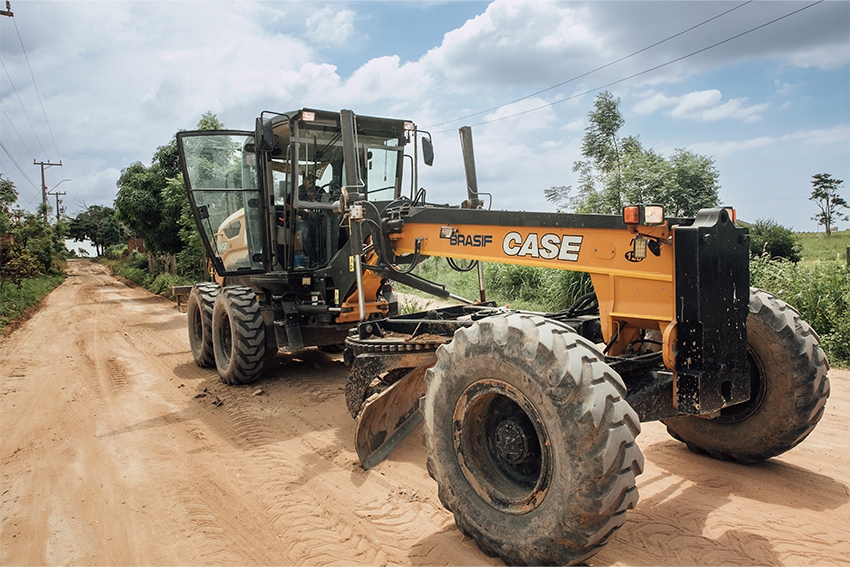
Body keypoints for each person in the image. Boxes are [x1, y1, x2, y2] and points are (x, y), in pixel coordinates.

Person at [296, 174, 323, 267]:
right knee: (304, 230)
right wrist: (305, 212)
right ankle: (312, 261)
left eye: (313, 179)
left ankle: (326, 260)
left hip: (319, 221)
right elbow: (288, 207)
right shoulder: (297, 192)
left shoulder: (321, 191)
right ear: (303, 181)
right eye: (309, 179)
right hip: (303, 221)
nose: (312, 181)